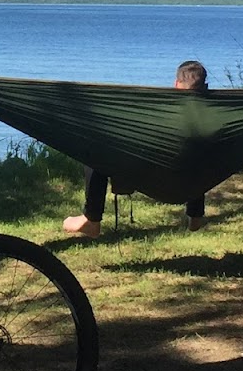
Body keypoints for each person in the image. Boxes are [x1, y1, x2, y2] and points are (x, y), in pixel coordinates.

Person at [62, 58, 210, 240]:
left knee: (94, 150)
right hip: (185, 180)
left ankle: (92, 219)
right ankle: (195, 215)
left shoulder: (162, 106)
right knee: (200, 152)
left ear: (176, 83)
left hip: (147, 172)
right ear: (206, 87)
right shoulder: (212, 115)